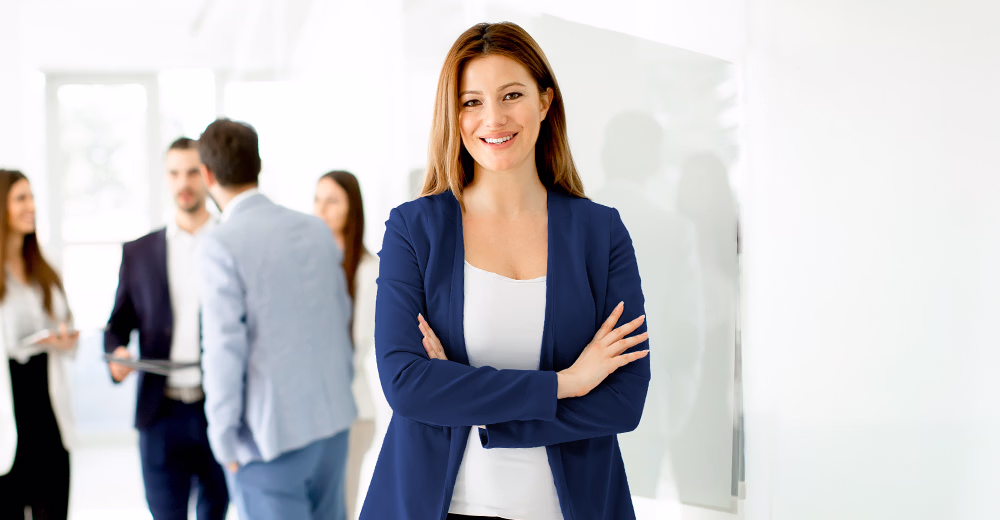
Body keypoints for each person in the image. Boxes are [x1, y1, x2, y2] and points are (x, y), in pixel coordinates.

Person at [360, 22, 651, 520]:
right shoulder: (414, 229)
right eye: (471, 102)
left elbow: (623, 401)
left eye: (511, 95)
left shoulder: (600, 233)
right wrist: (566, 383)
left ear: (544, 102)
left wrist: (464, 393)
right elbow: (407, 386)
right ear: (454, 116)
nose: (492, 118)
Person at [196, 119, 356, 520]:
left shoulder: (220, 243)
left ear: (207, 175)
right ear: (259, 165)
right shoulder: (315, 229)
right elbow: (342, 317)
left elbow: (223, 350)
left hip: (269, 439)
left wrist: (223, 440)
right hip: (332, 423)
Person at [104, 137, 230, 520]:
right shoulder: (139, 252)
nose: (183, 183)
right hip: (160, 413)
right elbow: (117, 326)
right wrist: (118, 354)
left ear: (208, 176)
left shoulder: (232, 242)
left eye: (192, 172)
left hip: (220, 407)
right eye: (174, 173)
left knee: (216, 511)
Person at [0, 169, 78, 519]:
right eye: (20, 198)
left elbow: (67, 325)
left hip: (48, 418)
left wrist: (63, 339)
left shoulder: (45, 269)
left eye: (31, 197)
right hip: (8, 419)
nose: (30, 206)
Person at [313, 170, 380, 518]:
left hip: (351, 411)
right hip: (311, 411)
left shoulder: (368, 269)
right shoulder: (306, 264)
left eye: (332, 201)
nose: (321, 209)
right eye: (317, 199)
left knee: (341, 508)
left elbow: (357, 346)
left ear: (351, 209)